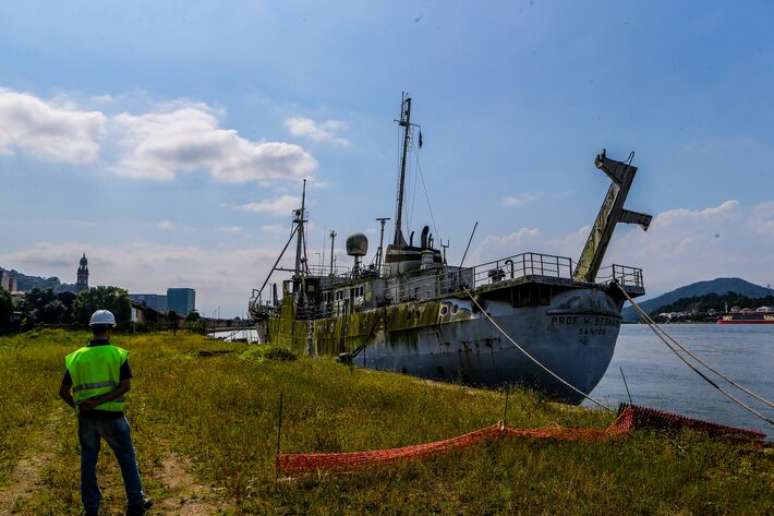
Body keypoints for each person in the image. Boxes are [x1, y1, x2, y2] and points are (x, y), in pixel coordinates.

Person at [59, 309, 152, 516]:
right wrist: (100, 401)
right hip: (113, 418)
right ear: (110, 329)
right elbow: (125, 386)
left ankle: (91, 509)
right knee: (127, 458)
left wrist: (79, 407)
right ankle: (136, 501)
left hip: (87, 420)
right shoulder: (117, 354)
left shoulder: (76, 357)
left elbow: (63, 391)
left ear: (91, 329)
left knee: (88, 463)